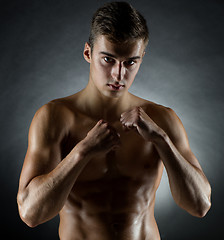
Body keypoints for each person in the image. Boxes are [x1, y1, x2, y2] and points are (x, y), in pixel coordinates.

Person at [17, 2, 211, 239]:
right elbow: (30, 214)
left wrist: (161, 140)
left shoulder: (162, 119)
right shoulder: (55, 118)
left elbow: (200, 205)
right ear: (88, 52)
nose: (119, 75)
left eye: (130, 62)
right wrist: (82, 152)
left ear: (141, 58)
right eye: (108, 60)